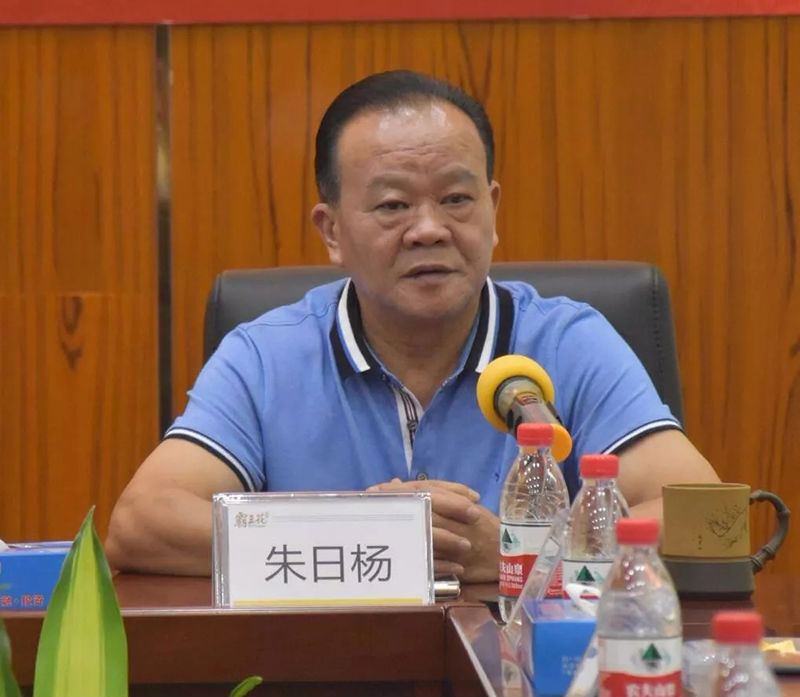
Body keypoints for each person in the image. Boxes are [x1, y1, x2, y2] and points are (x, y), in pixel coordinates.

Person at [106, 70, 719, 581]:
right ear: (332, 231)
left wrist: (519, 550)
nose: (429, 229)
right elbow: (141, 524)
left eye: (456, 199)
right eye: (393, 205)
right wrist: (363, 531)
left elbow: (705, 520)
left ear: (492, 210)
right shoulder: (266, 356)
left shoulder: (569, 342)